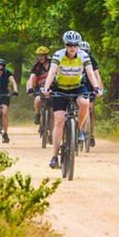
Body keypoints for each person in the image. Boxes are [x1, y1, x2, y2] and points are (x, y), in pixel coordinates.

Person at [42, 31, 102, 169]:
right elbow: (51, 72)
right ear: (65, 45)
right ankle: (54, 156)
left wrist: (97, 87)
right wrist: (46, 88)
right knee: (59, 120)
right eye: (69, 45)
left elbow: (90, 73)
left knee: (85, 103)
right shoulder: (58, 55)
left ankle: (79, 130)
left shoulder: (83, 55)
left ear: (78, 45)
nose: (72, 48)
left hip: (77, 87)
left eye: (75, 45)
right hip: (60, 88)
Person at [79, 40, 102, 147]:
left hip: (89, 86)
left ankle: (91, 134)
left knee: (91, 110)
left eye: (86, 52)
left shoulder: (91, 60)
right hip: (77, 86)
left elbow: (97, 75)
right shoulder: (74, 59)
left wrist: (99, 89)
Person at [26, 46, 51, 125]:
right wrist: (30, 88)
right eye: (39, 55)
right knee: (37, 99)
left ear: (46, 56)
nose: (40, 57)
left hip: (52, 87)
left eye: (42, 55)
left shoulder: (53, 63)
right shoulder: (36, 66)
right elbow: (32, 77)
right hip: (40, 88)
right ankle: (37, 114)